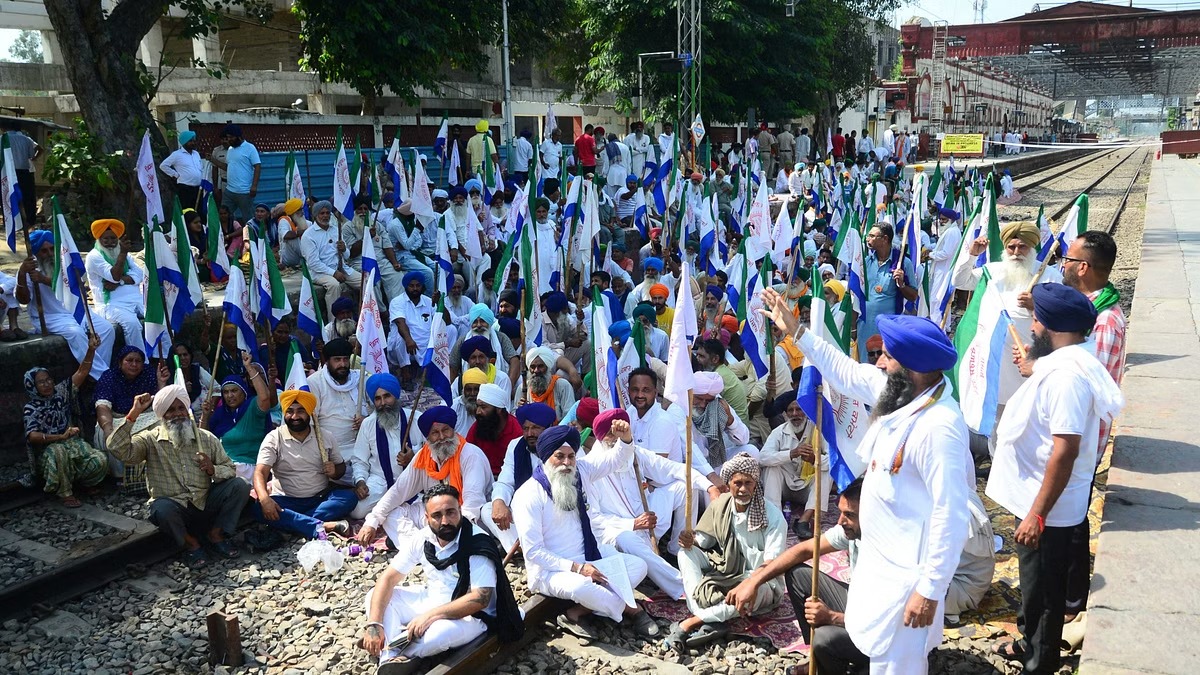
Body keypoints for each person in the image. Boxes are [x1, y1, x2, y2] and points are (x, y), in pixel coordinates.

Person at [761, 289, 973, 675]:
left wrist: (928, 590)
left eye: (888, 357)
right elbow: (842, 370)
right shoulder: (900, 392)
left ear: (915, 369)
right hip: (879, 568)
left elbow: (951, 514)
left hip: (909, 579)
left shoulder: (939, 426)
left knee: (899, 667)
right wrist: (797, 331)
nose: (878, 364)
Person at [988, 284, 1124, 673]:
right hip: (1039, 500)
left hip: (1046, 506)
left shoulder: (1066, 379)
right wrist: (1035, 367)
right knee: (1033, 585)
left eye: (1037, 320)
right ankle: (1028, 639)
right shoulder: (1067, 362)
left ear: (1054, 328)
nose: (1031, 327)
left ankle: (1039, 662)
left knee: (1045, 593)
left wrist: (1037, 514)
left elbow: (1064, 451)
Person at [511, 424, 660, 640]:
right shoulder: (528, 495)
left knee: (639, 566)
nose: (566, 463)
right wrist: (577, 568)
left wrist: (626, 438)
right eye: (559, 456)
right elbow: (533, 552)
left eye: (571, 456)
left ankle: (576, 612)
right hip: (551, 570)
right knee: (582, 587)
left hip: (591, 555)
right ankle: (631, 608)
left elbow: (615, 460)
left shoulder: (581, 471)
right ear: (545, 457)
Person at [360, 483, 523, 675]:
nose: (445, 521)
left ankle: (394, 649)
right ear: (426, 518)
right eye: (437, 515)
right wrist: (374, 624)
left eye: (451, 512)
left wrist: (429, 617)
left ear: (460, 511)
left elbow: (480, 599)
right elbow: (388, 578)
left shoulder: (477, 542)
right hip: (433, 599)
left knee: (438, 635)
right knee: (374, 596)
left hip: (472, 616)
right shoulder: (423, 538)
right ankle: (391, 655)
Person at [1057, 231, 1125, 618]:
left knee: (1072, 521)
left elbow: (1084, 382)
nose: (1063, 265)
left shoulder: (1104, 322)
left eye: (1068, 259)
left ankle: (1070, 598)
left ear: (1083, 267)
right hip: (1075, 432)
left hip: (1080, 438)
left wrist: (1039, 366)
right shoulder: (1092, 307)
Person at [107, 385, 250, 567]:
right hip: (175, 507)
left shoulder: (205, 438)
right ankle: (191, 544)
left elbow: (230, 468)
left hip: (204, 501)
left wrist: (213, 469)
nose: (177, 414)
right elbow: (117, 448)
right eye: (171, 410)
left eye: (181, 408)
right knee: (161, 509)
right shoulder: (150, 439)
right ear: (162, 415)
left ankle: (216, 534)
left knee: (240, 485)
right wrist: (133, 413)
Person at [587, 408, 722, 601]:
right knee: (628, 539)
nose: (618, 441)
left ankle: (679, 550)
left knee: (683, 487)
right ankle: (682, 587)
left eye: (621, 435)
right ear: (602, 438)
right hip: (617, 531)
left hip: (647, 520)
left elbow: (673, 468)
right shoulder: (590, 467)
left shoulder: (634, 452)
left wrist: (709, 487)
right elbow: (594, 519)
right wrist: (632, 524)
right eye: (612, 436)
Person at [953, 219, 1063, 445]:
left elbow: (1063, 318)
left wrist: (1037, 306)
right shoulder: (993, 273)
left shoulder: (1050, 276)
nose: (1016, 252)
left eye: (1022, 247)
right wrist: (972, 254)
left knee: (1031, 428)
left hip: (1031, 363)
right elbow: (960, 280)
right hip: (995, 366)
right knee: (998, 429)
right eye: (1011, 247)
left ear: (1032, 248)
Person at [667, 453, 786, 650]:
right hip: (725, 568)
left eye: (748, 483)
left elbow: (771, 566)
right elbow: (705, 542)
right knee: (685, 553)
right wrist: (690, 540)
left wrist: (750, 584)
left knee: (752, 592)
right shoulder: (720, 505)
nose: (743, 489)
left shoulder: (772, 516)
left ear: (756, 484)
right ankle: (708, 615)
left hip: (761, 581)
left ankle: (690, 622)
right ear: (728, 484)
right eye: (737, 483)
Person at [358, 406, 494, 545]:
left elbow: (473, 504)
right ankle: (422, 548)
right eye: (435, 433)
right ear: (427, 437)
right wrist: (372, 521)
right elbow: (399, 491)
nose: (441, 437)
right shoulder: (424, 456)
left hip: (467, 520)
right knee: (390, 513)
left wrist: (451, 529)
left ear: (453, 430)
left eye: (446, 430)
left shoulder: (470, 455)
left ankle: (431, 545)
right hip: (438, 518)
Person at [252, 389, 357, 539]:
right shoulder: (274, 437)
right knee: (258, 507)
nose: (295, 416)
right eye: (290, 411)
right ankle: (321, 526)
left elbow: (341, 468)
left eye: (301, 411)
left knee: (349, 498)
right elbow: (260, 472)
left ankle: (296, 523)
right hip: (286, 500)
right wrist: (264, 499)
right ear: (284, 414)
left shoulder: (325, 436)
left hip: (319, 498)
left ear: (309, 413)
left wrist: (334, 471)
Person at [17, 230, 117, 381]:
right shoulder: (30, 271)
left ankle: (95, 374)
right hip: (50, 316)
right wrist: (21, 274)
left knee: (107, 329)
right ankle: (105, 378)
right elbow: (23, 299)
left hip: (74, 309)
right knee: (76, 333)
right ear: (36, 253)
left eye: (52, 249)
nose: (49, 253)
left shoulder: (65, 264)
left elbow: (72, 285)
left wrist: (43, 279)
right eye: (44, 251)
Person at [23, 335, 108, 507]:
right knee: (59, 452)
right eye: (41, 382)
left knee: (100, 460)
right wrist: (60, 437)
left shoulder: (61, 392)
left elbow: (82, 372)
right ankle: (65, 492)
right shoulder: (31, 408)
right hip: (50, 451)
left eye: (48, 380)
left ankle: (85, 483)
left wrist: (91, 350)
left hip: (72, 444)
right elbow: (32, 436)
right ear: (33, 386)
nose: (47, 384)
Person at [482, 402, 554, 553]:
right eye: (526, 428)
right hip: (526, 512)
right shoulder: (516, 446)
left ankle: (528, 548)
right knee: (488, 509)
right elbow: (505, 481)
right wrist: (499, 501)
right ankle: (521, 548)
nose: (530, 434)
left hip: (554, 514)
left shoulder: (562, 447)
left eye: (535, 428)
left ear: (548, 428)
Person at [94, 345, 170, 473]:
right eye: (129, 360)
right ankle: (119, 477)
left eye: (138, 361)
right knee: (108, 435)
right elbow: (102, 406)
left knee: (164, 424)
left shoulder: (149, 373)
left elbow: (160, 402)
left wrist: (161, 383)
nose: (134, 364)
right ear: (120, 362)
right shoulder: (109, 377)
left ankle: (156, 470)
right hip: (117, 418)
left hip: (145, 416)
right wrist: (109, 429)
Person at [202, 351, 275, 483]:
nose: (230, 395)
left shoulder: (252, 407)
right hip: (223, 471)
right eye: (226, 392)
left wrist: (249, 367)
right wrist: (205, 416)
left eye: (234, 391)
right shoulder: (220, 414)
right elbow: (203, 439)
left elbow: (265, 397)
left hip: (250, 471)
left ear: (243, 392)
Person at [350, 373, 414, 521]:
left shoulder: (415, 419)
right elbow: (360, 460)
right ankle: (391, 504)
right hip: (380, 480)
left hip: (411, 481)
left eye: (387, 396)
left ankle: (391, 506)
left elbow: (430, 453)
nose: (383, 402)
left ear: (396, 397)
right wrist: (360, 481)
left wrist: (413, 457)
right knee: (357, 511)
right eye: (378, 399)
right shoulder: (368, 424)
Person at [759, 393, 827, 530]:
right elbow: (762, 458)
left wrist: (814, 459)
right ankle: (775, 518)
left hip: (807, 489)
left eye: (799, 409)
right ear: (786, 414)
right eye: (791, 410)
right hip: (785, 487)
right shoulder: (779, 432)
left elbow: (834, 460)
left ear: (807, 412)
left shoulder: (818, 430)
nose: (795, 414)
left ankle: (804, 520)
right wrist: (791, 454)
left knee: (827, 470)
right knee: (771, 467)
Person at [860, 224, 917, 361]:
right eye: (869, 235)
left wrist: (902, 284)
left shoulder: (903, 263)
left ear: (885, 239)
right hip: (864, 325)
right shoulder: (866, 262)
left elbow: (913, 296)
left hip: (887, 327)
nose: (868, 239)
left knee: (885, 362)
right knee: (865, 362)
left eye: (873, 236)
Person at [85, 219, 145, 348]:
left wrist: (121, 281)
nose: (110, 243)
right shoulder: (94, 256)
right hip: (112, 304)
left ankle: (161, 356)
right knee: (133, 324)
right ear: (98, 239)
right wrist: (123, 253)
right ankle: (140, 362)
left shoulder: (124, 254)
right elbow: (114, 276)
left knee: (157, 318)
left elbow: (139, 274)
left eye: (113, 238)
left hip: (136, 298)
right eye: (105, 239)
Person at [307, 337, 368, 457]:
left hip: (363, 445)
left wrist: (367, 421)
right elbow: (310, 421)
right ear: (327, 361)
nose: (343, 364)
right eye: (337, 360)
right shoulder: (314, 383)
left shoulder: (360, 379)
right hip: (330, 451)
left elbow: (376, 409)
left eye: (346, 359)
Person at [301, 199, 362, 318]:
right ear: (315, 215)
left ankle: (365, 317)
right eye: (322, 213)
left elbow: (347, 256)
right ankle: (333, 323)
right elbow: (314, 263)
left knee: (366, 281)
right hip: (320, 273)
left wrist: (344, 249)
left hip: (342, 268)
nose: (325, 216)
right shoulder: (308, 235)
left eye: (327, 213)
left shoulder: (335, 229)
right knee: (334, 285)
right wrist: (333, 273)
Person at [466, 383, 521, 475]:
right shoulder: (478, 426)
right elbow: (467, 453)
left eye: (483, 407)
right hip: (481, 476)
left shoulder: (516, 430)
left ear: (498, 409)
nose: (478, 411)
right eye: (478, 406)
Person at [212, 124, 261, 222]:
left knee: (248, 219)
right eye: (228, 137)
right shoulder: (230, 149)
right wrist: (213, 160)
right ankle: (228, 236)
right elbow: (227, 167)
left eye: (231, 137)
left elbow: (258, 166)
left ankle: (250, 237)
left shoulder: (250, 148)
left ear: (238, 136)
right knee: (223, 216)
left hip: (244, 192)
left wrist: (254, 186)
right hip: (229, 191)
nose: (229, 140)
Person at [924, 207, 962, 326]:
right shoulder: (950, 230)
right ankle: (945, 325)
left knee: (936, 298)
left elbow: (946, 253)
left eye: (944, 219)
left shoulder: (951, 232)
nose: (941, 221)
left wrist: (930, 255)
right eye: (940, 219)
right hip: (943, 268)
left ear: (950, 220)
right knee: (944, 299)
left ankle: (937, 325)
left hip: (944, 270)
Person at [524, 346, 576, 421]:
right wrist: (521, 409)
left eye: (540, 366)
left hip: (557, 430)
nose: (536, 370)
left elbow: (569, 416)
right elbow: (514, 414)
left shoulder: (563, 385)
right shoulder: (524, 388)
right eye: (532, 367)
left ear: (548, 367)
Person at [160, 130, 203, 210]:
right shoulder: (177, 154)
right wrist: (175, 174)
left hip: (198, 188)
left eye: (194, 141)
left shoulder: (196, 153)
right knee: (187, 210)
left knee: (198, 210)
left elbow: (200, 167)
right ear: (184, 142)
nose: (193, 143)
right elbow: (163, 165)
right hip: (185, 188)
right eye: (190, 141)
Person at [276, 198, 308, 268]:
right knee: (292, 238)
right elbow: (286, 235)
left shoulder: (302, 220)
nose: (302, 212)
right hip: (288, 259)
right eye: (299, 210)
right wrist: (304, 232)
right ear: (294, 212)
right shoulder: (284, 220)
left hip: (301, 258)